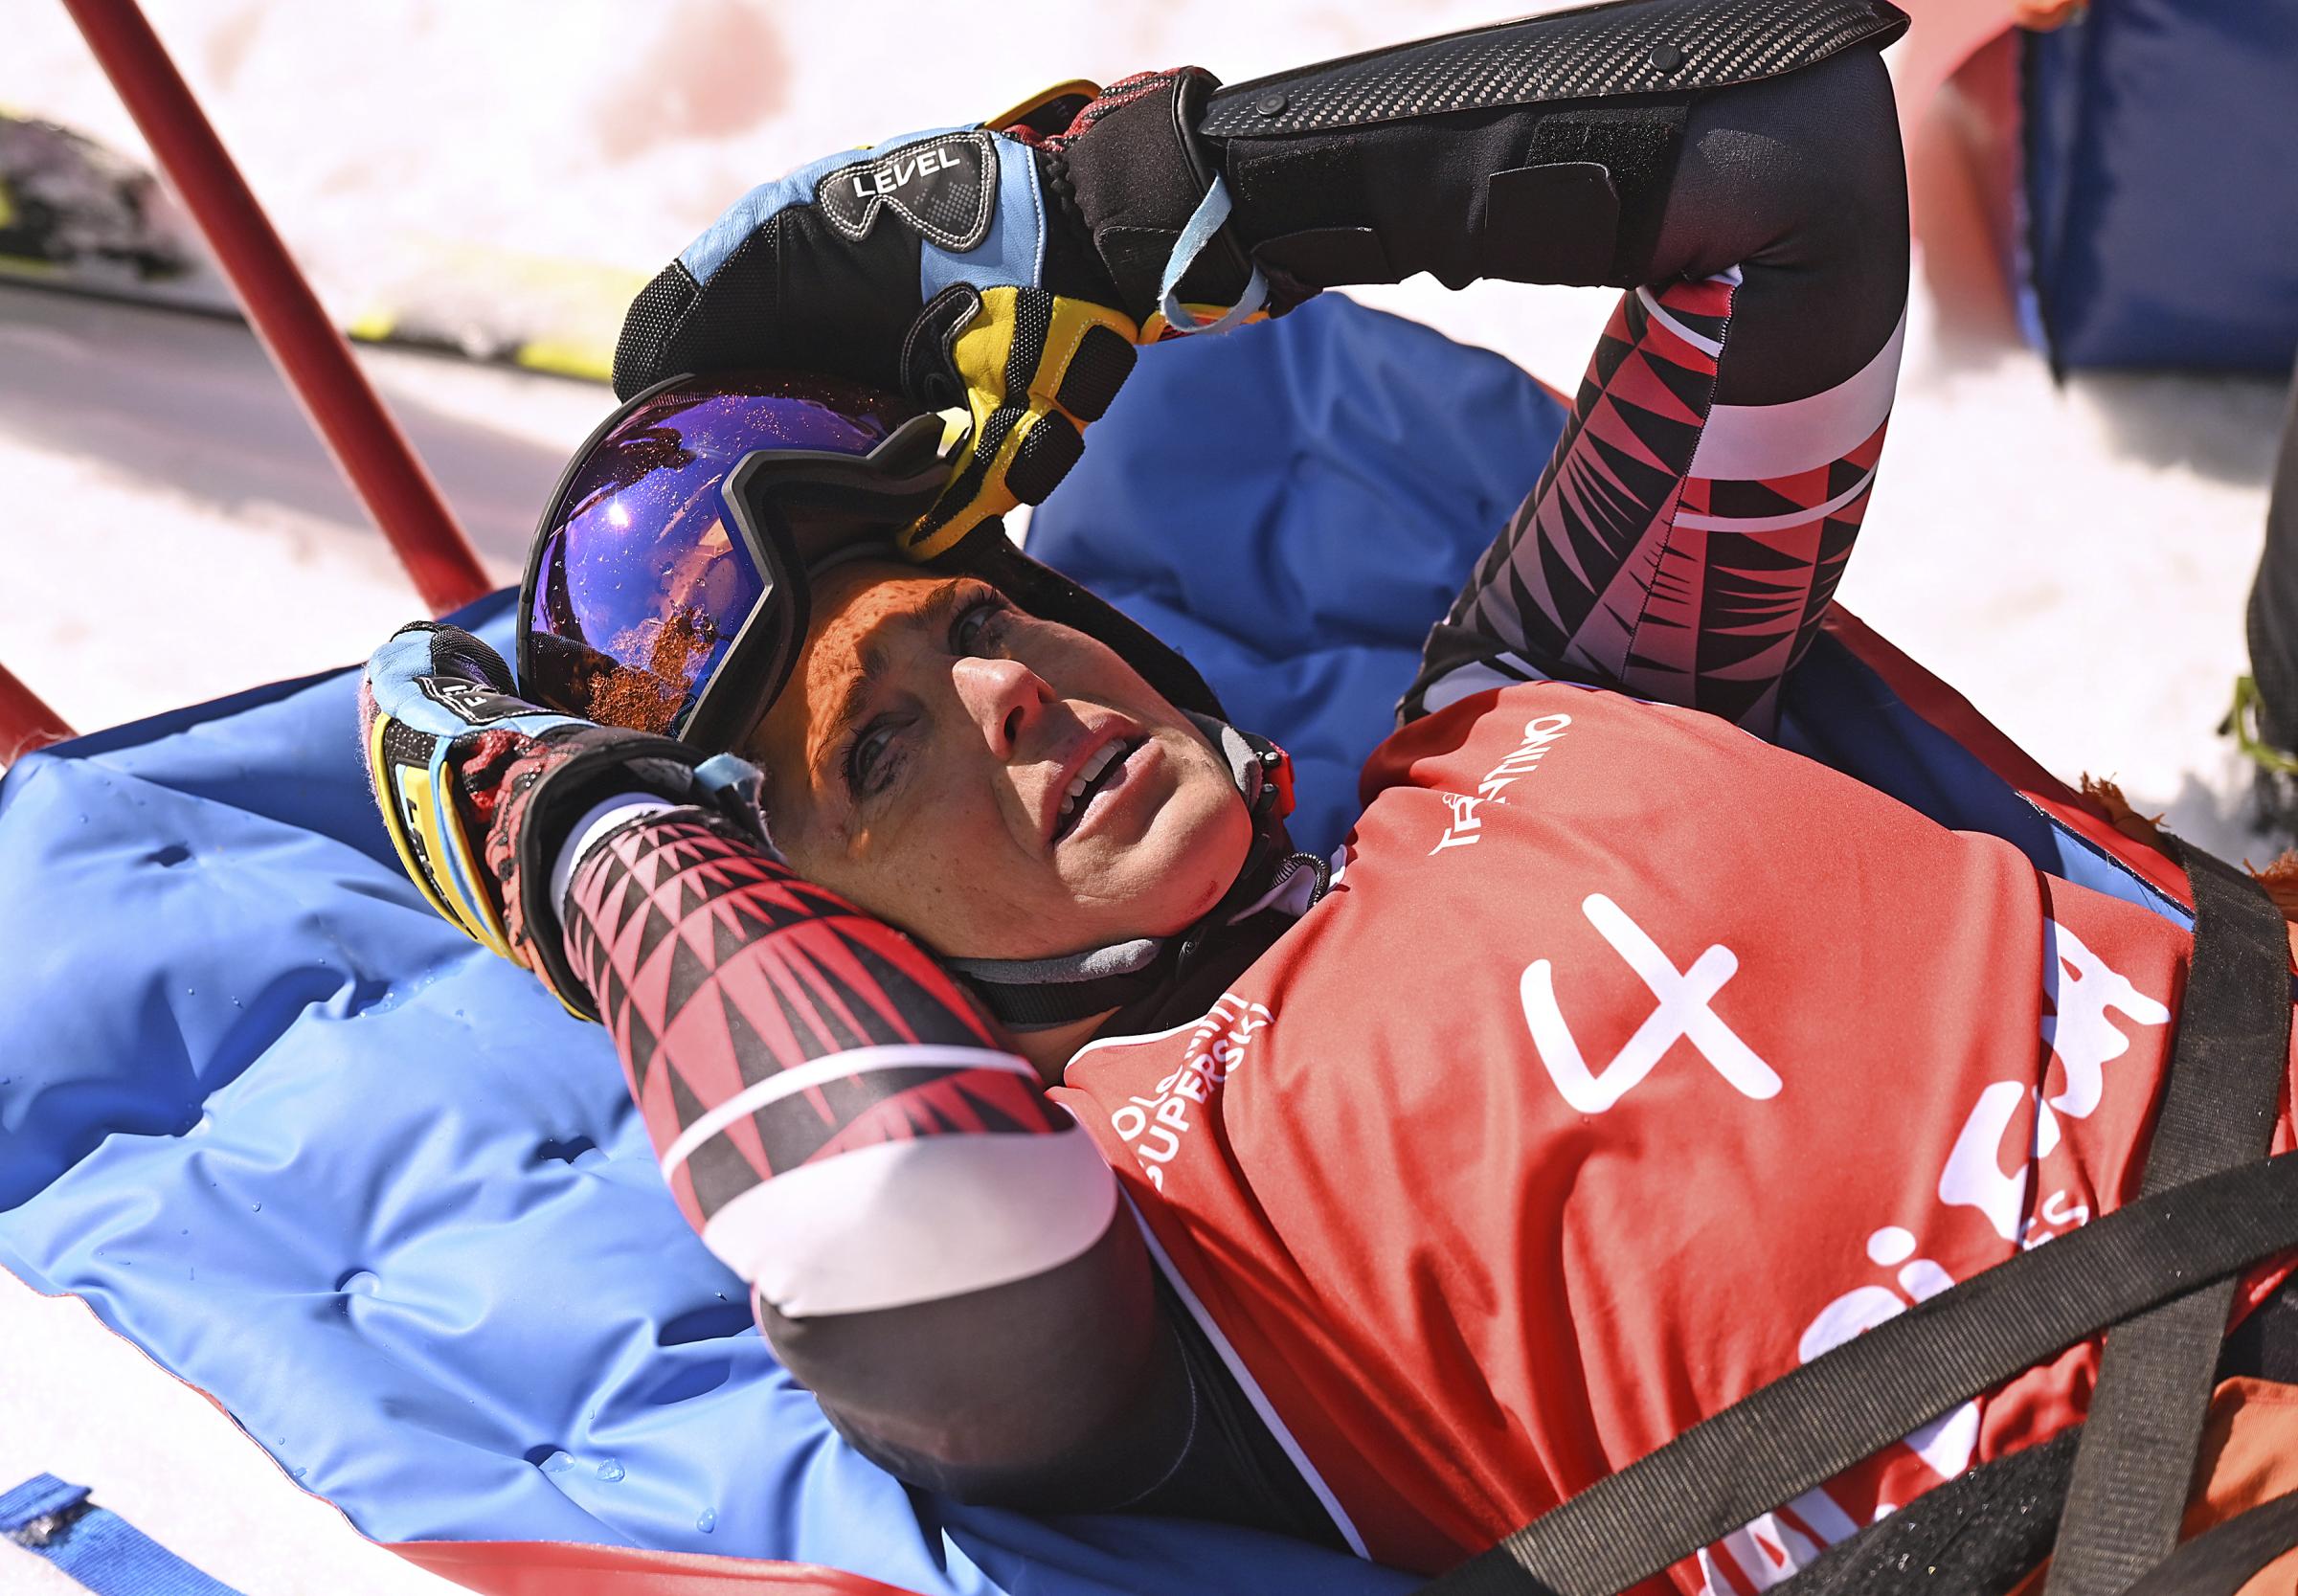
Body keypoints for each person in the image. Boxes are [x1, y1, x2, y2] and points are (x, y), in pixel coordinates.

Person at [358, 2, 2298, 1590]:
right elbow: (881, 1201)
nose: (1014, 695)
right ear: (816, 922)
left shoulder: (1539, 691)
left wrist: (1119, 205)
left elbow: (1784, 156)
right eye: (882, 751)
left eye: (979, 621)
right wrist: (572, 826)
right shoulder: (1134, 1256)